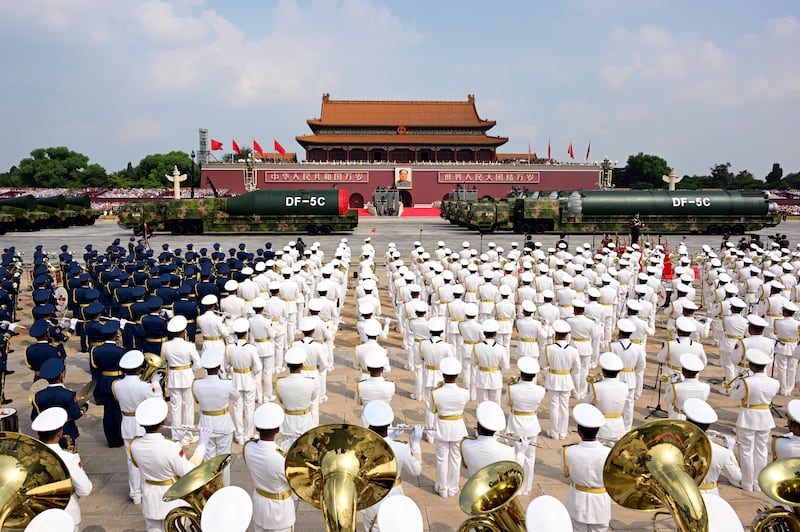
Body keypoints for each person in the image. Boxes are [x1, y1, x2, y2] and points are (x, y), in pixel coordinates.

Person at [129, 397, 211, 532]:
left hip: (150, 496)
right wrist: (201, 446)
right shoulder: (171, 447)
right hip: (171, 497)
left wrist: (176, 440)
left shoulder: (134, 444)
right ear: (163, 422)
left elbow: (151, 456)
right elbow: (189, 472)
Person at [361, 400, 422, 532]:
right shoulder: (401, 447)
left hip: (371, 495)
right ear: (389, 425)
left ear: (369, 425)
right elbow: (416, 470)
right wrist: (416, 444)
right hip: (394, 495)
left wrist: (391, 438)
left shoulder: (361, 447)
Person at [32, 407, 93, 531]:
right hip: (66, 512)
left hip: (37, 515)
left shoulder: (28, 455)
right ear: (59, 433)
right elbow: (85, 489)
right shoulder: (68, 458)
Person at [113, 349, 161, 505]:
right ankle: (146, 489)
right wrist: (155, 384)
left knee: (130, 460)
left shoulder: (117, 385)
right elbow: (157, 401)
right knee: (146, 458)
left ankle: (135, 493)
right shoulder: (144, 387)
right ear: (139, 369)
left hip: (126, 422)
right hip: (142, 423)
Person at [729, 348, 779, 492]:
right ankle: (758, 483)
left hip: (748, 416)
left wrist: (737, 383)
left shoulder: (746, 382)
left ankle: (747, 483)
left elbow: (734, 397)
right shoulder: (774, 383)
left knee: (746, 450)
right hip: (765, 416)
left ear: (751, 365)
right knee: (761, 450)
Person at [243, 403, 295, 532]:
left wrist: (288, 443)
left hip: (260, 506)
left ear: (257, 428)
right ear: (277, 430)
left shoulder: (248, 448)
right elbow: (293, 482)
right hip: (279, 513)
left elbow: (268, 451)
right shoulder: (280, 459)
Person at [561, 403, 612, 532]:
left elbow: (566, 473)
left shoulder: (568, 451)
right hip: (601, 505)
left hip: (578, 503)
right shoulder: (609, 453)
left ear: (579, 431)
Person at [683, 398, 741, 498]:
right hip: (710, 495)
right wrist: (729, 450)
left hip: (684, 493)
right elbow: (737, 476)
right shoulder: (723, 452)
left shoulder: (676, 445)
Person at [504, 356, 545, 496]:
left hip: (516, 424)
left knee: (516, 455)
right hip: (532, 424)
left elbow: (506, 403)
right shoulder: (540, 390)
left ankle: (516, 486)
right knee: (530, 458)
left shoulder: (512, 389)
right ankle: (526, 487)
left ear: (521, 374)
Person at [431, 357, 470, 498]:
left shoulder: (436, 393)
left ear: (443, 375)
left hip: (442, 426)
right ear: (457, 375)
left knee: (441, 459)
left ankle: (442, 488)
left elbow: (432, 410)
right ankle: (453, 488)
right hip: (457, 427)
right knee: (455, 458)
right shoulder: (464, 393)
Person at [31, 357, 87, 452]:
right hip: (67, 431)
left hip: (47, 434)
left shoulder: (38, 396)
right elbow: (75, 414)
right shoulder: (69, 394)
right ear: (61, 375)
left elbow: (34, 417)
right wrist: (85, 405)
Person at [461, 401, 528, 479]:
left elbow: (466, 464)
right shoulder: (508, 450)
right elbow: (515, 472)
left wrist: (503, 441)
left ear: (478, 428)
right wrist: (521, 453)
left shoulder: (465, 444)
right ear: (495, 430)